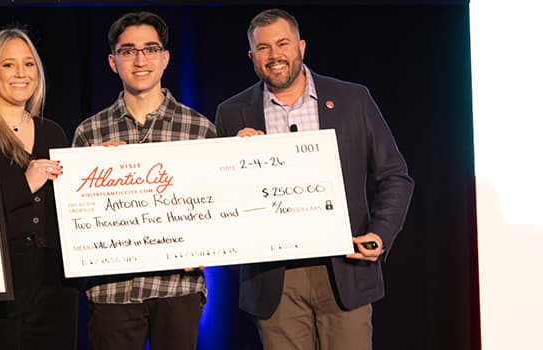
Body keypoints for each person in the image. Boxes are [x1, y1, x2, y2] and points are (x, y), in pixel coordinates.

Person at [214, 8, 414, 350]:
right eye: (263, 48)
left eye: (283, 44)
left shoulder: (352, 99)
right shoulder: (232, 112)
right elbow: (221, 197)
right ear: (251, 56)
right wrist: (235, 158)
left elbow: (395, 176)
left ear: (301, 47)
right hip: (274, 279)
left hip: (344, 269)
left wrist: (380, 234)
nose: (274, 55)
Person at [71, 11, 216, 350]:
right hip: (113, 290)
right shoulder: (89, 133)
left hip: (178, 286)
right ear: (113, 62)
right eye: (128, 51)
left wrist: (208, 245)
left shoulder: (199, 129)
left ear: (165, 58)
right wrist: (91, 172)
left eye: (150, 49)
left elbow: (217, 205)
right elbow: (76, 217)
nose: (140, 60)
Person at [0, 28, 78, 350]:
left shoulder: (52, 132)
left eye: (29, 64)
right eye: (8, 64)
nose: (21, 73)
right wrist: (25, 184)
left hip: (54, 281)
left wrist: (100, 164)